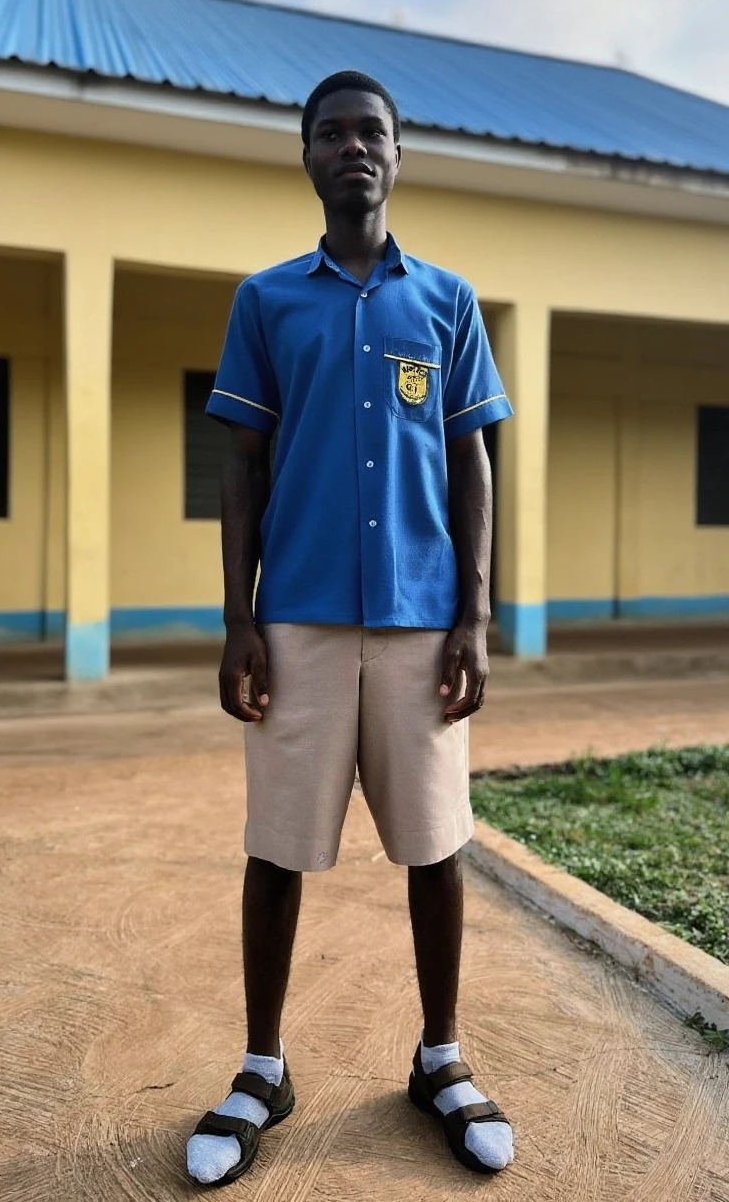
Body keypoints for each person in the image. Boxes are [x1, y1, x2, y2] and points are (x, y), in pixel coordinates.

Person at [186, 70, 514, 1187]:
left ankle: (439, 1057)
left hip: (424, 625)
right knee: (276, 847)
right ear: (308, 157)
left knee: (435, 846)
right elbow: (242, 463)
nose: (352, 147)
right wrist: (239, 619)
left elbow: (470, 455)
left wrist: (474, 609)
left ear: (398, 153)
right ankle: (262, 1066)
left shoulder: (448, 304)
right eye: (331, 133)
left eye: (371, 130)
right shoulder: (267, 301)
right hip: (299, 623)